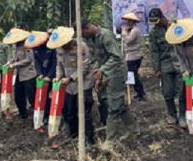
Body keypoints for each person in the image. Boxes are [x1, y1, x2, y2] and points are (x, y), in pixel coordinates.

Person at [80, 19, 138, 147]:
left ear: (88, 28)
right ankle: (133, 129)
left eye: (83, 34)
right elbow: (94, 58)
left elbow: (116, 57)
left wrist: (102, 69)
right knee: (116, 102)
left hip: (116, 72)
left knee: (113, 104)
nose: (83, 38)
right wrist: (96, 71)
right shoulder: (89, 39)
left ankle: (110, 139)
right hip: (104, 73)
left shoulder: (106, 35)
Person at [48, 27, 95, 145]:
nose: (63, 47)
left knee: (84, 111)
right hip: (68, 85)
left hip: (83, 83)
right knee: (70, 111)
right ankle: (74, 135)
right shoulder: (59, 50)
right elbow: (59, 66)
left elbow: (85, 66)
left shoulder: (81, 47)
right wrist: (58, 77)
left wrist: (71, 78)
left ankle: (89, 138)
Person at [148, 8, 185, 127]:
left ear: (162, 17)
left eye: (157, 20)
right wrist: (156, 68)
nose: (156, 23)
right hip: (165, 64)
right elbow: (154, 51)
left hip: (180, 63)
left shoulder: (175, 26)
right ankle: (171, 114)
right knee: (167, 91)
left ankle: (182, 116)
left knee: (182, 91)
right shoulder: (154, 33)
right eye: (153, 21)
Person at [4, 27, 35, 120]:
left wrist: (14, 65)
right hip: (20, 75)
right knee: (18, 96)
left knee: (31, 96)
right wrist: (9, 62)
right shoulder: (17, 46)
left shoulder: (28, 45)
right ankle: (23, 114)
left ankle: (36, 113)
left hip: (28, 74)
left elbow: (29, 59)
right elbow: (15, 57)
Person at [26, 30, 54, 130]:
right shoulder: (35, 48)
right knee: (43, 96)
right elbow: (36, 62)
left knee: (54, 96)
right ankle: (45, 116)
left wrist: (49, 76)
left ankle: (54, 116)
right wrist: (40, 74)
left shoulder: (51, 47)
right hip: (42, 75)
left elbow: (55, 63)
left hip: (52, 75)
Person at [121, 13, 147, 101]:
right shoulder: (130, 30)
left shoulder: (135, 31)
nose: (127, 23)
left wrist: (124, 33)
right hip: (131, 56)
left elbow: (128, 41)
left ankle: (141, 93)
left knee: (133, 75)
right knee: (133, 75)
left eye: (129, 21)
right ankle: (139, 93)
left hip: (134, 56)